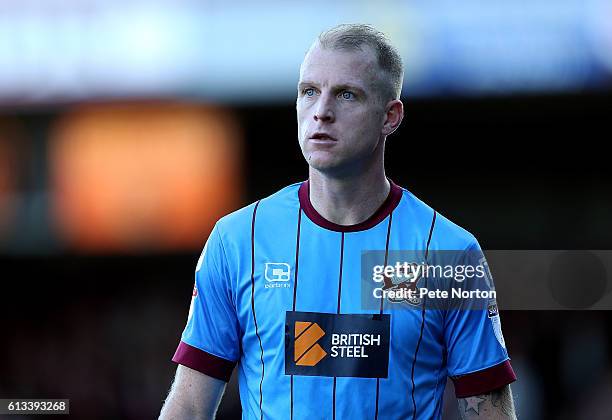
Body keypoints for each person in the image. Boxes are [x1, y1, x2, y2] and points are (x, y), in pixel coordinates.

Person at [159, 23, 517, 420]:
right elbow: (190, 407)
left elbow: (488, 410)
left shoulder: (449, 254)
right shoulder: (237, 240)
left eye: (347, 94)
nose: (322, 111)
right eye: (309, 91)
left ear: (390, 117)